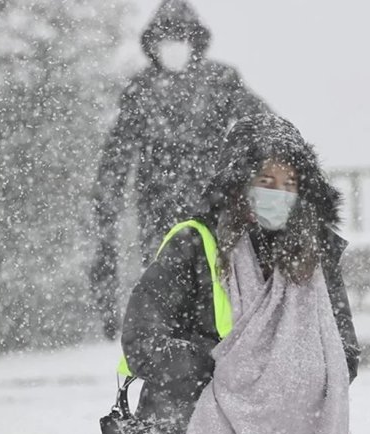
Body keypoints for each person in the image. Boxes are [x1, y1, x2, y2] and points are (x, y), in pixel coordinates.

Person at [121, 113, 360, 434]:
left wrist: (289, 382)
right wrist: (214, 373)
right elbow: (143, 336)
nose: (277, 192)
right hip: (196, 433)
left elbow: (343, 351)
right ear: (238, 184)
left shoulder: (314, 258)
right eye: (266, 181)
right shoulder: (195, 245)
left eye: (289, 183)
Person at [92, 0, 268, 340]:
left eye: (179, 39)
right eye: (165, 41)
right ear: (153, 46)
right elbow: (117, 154)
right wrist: (108, 199)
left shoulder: (220, 81)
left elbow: (261, 123)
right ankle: (176, 358)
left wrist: (258, 172)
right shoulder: (140, 91)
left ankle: (221, 353)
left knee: (218, 288)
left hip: (214, 206)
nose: (173, 48)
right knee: (168, 290)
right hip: (159, 212)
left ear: (194, 42)